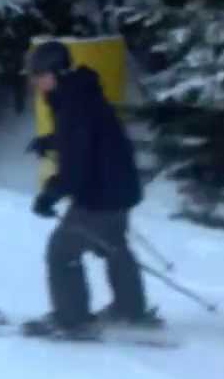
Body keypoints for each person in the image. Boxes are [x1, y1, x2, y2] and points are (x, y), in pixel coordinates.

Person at [21, 39, 159, 339]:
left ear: (54, 72)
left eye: (38, 74)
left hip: (100, 193)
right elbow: (85, 139)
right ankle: (129, 309)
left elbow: (77, 163)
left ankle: (71, 319)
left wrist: (50, 194)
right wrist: (51, 141)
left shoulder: (73, 104)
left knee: (61, 251)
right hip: (118, 188)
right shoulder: (79, 94)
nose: (35, 82)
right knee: (112, 245)